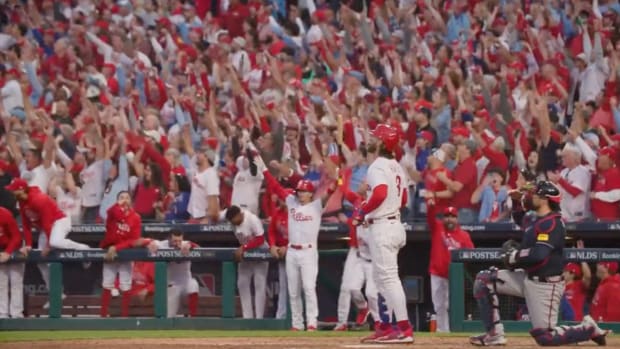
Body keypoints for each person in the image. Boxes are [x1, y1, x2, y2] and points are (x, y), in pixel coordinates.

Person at [470, 181, 609, 346]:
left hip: (545, 286)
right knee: (484, 280)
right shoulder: (537, 219)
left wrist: (514, 256)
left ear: (545, 199)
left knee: (545, 337)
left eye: (534, 193)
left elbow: (539, 254)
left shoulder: (552, 223)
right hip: (528, 277)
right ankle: (494, 335)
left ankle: (587, 329)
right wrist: (516, 202)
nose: (529, 196)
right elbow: (521, 220)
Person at [253, 149, 335, 331]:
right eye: (299, 191)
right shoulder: (291, 202)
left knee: (308, 287)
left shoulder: (316, 206)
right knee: (293, 290)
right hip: (292, 251)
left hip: (308, 251)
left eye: (304, 191)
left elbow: (330, 192)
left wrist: (336, 180)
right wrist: (264, 170)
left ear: (310, 193)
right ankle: (297, 324)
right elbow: (275, 187)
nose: (300, 194)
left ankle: (312, 322)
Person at [357, 124, 414, 344]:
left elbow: (380, 193)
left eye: (375, 137)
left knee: (388, 279)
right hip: (393, 224)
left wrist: (362, 209)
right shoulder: (396, 166)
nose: (371, 139)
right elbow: (404, 200)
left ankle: (404, 329)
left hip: (383, 226)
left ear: (382, 142)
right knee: (382, 280)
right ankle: (386, 327)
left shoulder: (377, 166)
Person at [5, 177, 89, 297]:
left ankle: (84, 248)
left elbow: (47, 223)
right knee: (41, 261)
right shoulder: (23, 201)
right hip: (47, 228)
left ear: (22, 190)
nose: (11, 192)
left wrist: (48, 246)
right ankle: (56, 294)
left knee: (54, 242)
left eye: (14, 190)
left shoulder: (39, 199)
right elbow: (26, 224)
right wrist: (28, 245)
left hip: (60, 221)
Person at [426, 203, 474, 332]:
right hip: (436, 273)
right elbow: (430, 217)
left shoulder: (464, 235)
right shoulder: (438, 228)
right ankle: (443, 331)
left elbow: (471, 254)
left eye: (452, 216)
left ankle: (455, 331)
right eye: (447, 216)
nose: (449, 219)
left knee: (452, 305)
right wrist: (431, 206)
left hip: (454, 276)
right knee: (439, 305)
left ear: (457, 219)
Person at [100, 191, 142, 317]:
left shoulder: (135, 217)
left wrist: (117, 247)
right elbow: (109, 213)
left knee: (125, 284)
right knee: (107, 283)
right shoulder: (113, 213)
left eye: (127, 198)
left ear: (131, 201)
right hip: (110, 252)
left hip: (125, 252)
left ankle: (124, 316)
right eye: (121, 198)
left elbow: (133, 240)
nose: (124, 200)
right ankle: (103, 315)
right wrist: (117, 206)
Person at [224, 205, 269, 319]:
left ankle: (259, 318)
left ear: (240, 215)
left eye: (234, 220)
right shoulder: (233, 223)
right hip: (246, 252)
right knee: (242, 283)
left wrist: (244, 248)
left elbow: (260, 239)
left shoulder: (252, 219)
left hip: (261, 251)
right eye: (231, 222)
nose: (233, 223)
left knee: (259, 282)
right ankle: (247, 317)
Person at [142, 231, 200, 318]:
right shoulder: (162, 244)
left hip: (185, 283)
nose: (177, 243)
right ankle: (180, 317)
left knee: (193, 285)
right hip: (171, 285)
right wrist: (150, 243)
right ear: (169, 239)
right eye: (174, 241)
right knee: (168, 317)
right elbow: (147, 241)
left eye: (179, 241)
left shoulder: (185, 244)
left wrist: (190, 245)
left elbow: (198, 247)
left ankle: (193, 318)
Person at [266, 194, 289, 320]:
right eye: (282, 198)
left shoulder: (296, 213)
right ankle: (281, 317)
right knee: (283, 287)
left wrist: (288, 246)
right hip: (282, 253)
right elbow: (271, 231)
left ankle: (307, 319)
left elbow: (299, 234)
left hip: (297, 252)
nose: (283, 201)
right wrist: (273, 245)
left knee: (302, 288)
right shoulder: (277, 213)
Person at [0, 206, 25, 318]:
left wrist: (8, 252)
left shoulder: (4, 214)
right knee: (1, 283)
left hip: (15, 247)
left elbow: (16, 237)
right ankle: (2, 313)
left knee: (16, 282)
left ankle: (16, 314)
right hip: (1, 250)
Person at [562, 241, 591, 321]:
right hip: (562, 321)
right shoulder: (559, 285)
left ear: (572, 274)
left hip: (576, 322)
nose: (563, 273)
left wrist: (581, 255)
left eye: (565, 271)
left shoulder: (579, 285)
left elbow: (588, 276)